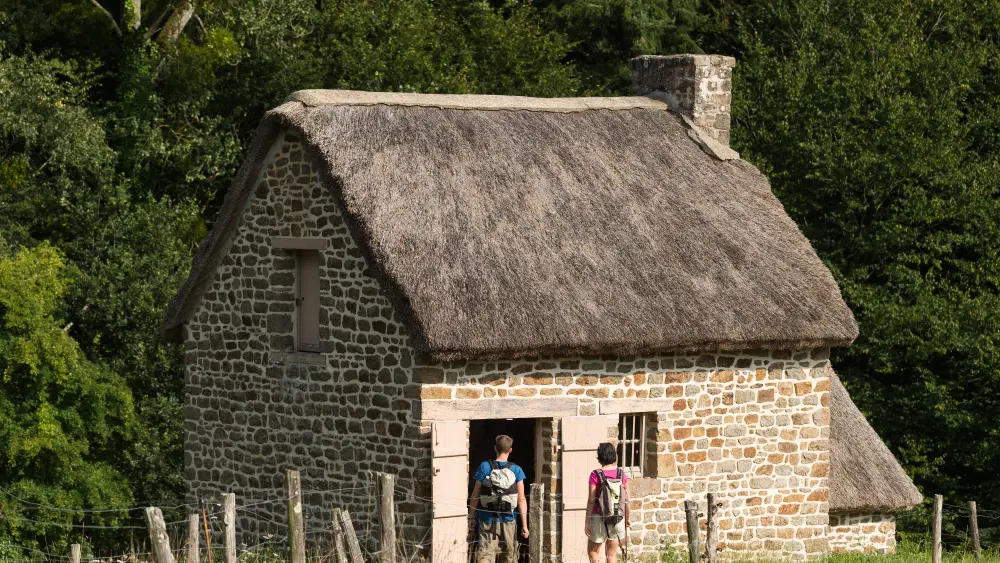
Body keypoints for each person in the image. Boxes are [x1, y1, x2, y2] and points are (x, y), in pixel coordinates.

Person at [468, 435, 529, 563]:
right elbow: (521, 499)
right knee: (508, 557)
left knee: (485, 556)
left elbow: (475, 494)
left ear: (495, 448)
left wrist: (471, 517)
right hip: (509, 520)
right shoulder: (516, 470)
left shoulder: (484, 467)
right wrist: (524, 525)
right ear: (510, 450)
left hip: (487, 520)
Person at [585, 443, 631, 563]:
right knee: (611, 555)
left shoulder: (595, 474)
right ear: (614, 455)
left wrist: (587, 522)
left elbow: (591, 500)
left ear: (600, 456)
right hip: (617, 517)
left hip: (598, 517)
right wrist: (627, 518)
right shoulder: (621, 474)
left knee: (593, 552)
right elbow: (627, 499)